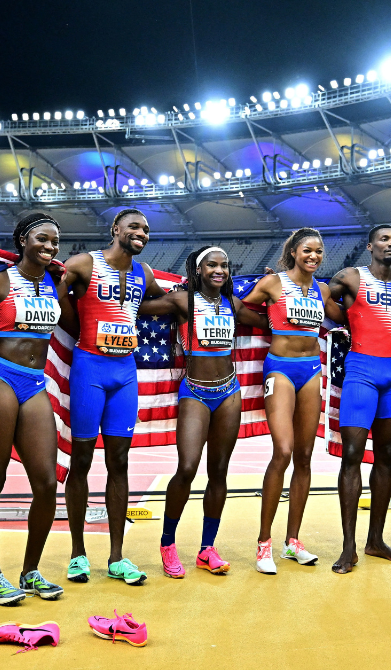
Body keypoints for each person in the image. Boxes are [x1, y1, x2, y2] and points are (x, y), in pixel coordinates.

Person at [0, 211, 76, 605]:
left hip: (35, 382)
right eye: (42, 238)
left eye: (55, 241)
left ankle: (30, 571)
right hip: (0, 377)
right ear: (22, 240)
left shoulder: (57, 282)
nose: (50, 247)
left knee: (45, 482)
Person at [138, 246, 267, 578]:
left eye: (224, 265)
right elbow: (134, 306)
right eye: (212, 264)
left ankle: (206, 549)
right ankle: (168, 544)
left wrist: (280, 291)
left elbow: (272, 322)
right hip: (194, 391)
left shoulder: (233, 304)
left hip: (229, 392)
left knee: (219, 472)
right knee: (187, 467)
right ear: (198, 270)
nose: (219, 270)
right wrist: (136, 279)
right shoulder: (184, 301)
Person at [59, 209, 171, 586]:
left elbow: (161, 299)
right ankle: (77, 554)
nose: (141, 233)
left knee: (120, 460)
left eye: (146, 229)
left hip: (125, 373)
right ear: (116, 230)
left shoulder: (146, 273)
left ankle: (117, 557)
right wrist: (81, 335)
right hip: (90, 367)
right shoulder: (85, 263)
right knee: (82, 458)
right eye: (134, 227)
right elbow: (57, 296)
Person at [325, 225, 391, 573]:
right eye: (385, 239)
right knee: (353, 456)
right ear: (371, 245)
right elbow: (323, 298)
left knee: (386, 456)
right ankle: (348, 547)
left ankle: (375, 541)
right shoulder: (351, 277)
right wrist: (346, 320)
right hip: (361, 371)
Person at [241, 227, 345, 573]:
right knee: (283, 450)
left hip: (312, 370)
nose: (313, 256)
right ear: (294, 253)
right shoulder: (273, 284)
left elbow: (343, 317)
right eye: (307, 251)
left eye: (318, 252)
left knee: (304, 455)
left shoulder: (323, 289)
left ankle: (293, 541)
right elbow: (241, 307)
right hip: (281, 369)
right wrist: (266, 321)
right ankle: (263, 543)